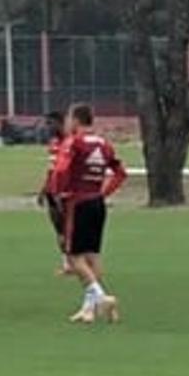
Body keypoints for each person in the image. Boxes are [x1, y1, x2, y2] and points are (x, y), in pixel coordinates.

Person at [47, 102, 126, 323]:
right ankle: (89, 309)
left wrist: (58, 191)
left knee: (73, 257)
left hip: (77, 203)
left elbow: (61, 169)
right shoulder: (104, 144)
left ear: (76, 120)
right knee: (92, 256)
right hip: (97, 204)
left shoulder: (74, 143)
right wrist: (103, 192)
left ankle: (101, 297)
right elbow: (120, 173)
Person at [37, 111, 72, 274]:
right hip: (52, 191)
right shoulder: (53, 143)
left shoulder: (71, 142)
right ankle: (67, 264)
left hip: (66, 192)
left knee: (71, 227)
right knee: (58, 228)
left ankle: (79, 262)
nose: (48, 127)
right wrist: (44, 190)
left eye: (50, 123)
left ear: (60, 123)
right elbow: (52, 169)